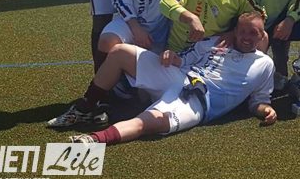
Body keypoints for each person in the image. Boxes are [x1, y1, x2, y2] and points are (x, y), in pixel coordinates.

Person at [48, 12, 277, 144]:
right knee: (119, 52)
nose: (246, 37)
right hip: (179, 77)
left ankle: (93, 140)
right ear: (235, 31)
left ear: (261, 36)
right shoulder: (216, 42)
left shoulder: (265, 64)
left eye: (253, 33)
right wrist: (172, 57)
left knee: (148, 122)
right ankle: (85, 107)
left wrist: (265, 110)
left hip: (198, 102)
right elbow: (184, 60)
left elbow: (259, 100)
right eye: (243, 31)